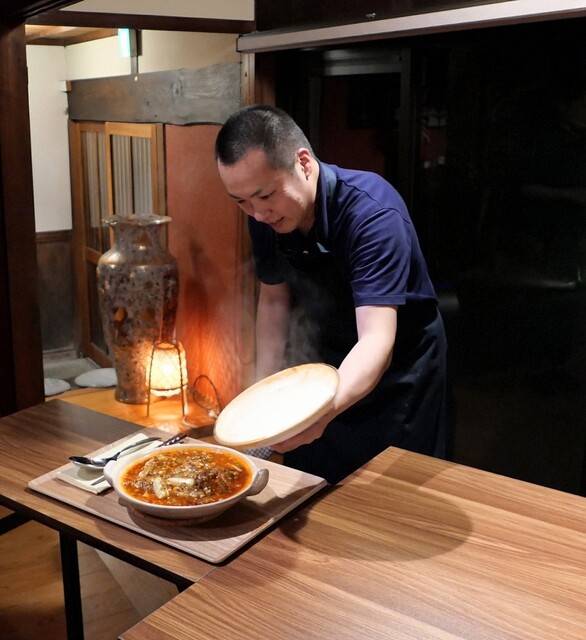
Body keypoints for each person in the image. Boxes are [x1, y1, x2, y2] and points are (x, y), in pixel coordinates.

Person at [215, 104, 448, 484]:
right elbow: (273, 304)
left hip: (399, 367)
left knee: (392, 489)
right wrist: (261, 401)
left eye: (265, 195)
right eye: (241, 201)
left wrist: (320, 415)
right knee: (315, 485)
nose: (257, 214)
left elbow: (376, 340)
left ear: (304, 163)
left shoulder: (372, 215)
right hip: (325, 361)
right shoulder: (265, 216)